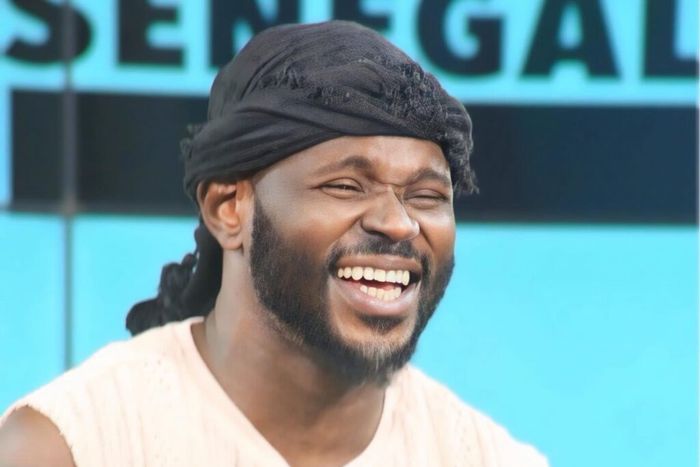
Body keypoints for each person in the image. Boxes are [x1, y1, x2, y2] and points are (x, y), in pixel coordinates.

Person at [0, 21, 548, 466]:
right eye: (345, 186)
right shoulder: (68, 449)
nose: (399, 224)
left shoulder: (487, 458)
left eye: (426, 196)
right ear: (228, 208)